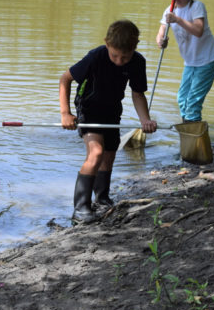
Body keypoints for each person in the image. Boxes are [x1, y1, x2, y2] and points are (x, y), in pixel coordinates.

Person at [59, 20, 158, 225]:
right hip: (89, 108)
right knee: (95, 153)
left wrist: (145, 120)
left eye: (125, 57)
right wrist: (65, 113)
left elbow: (138, 94)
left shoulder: (138, 62)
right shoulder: (95, 56)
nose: (120, 61)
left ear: (134, 49)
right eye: (115, 55)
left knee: (109, 156)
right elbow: (65, 79)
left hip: (112, 110)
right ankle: (80, 208)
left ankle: (102, 198)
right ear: (106, 44)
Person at [156, 0, 214, 123]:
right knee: (182, 99)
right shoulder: (169, 10)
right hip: (190, 62)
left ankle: (194, 140)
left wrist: (177, 20)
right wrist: (160, 41)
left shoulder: (196, 6)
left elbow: (198, 30)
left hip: (207, 60)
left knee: (193, 102)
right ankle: (188, 130)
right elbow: (161, 32)